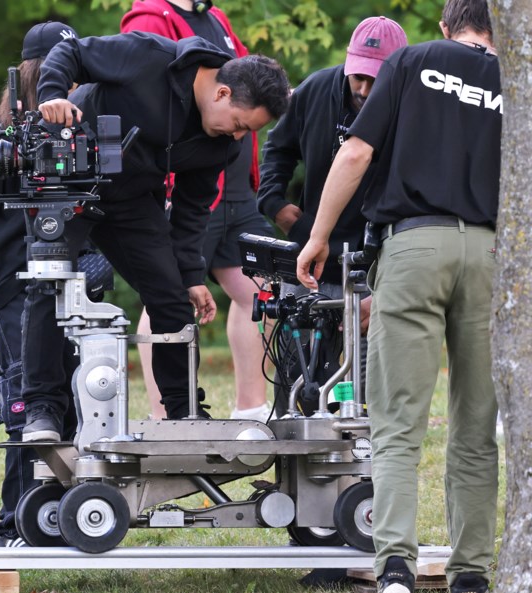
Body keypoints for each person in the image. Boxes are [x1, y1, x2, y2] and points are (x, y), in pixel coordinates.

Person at [295, 0, 500, 593]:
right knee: (475, 425)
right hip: (494, 255)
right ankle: (470, 582)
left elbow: (355, 154)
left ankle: (394, 572)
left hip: (413, 246)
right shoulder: (517, 78)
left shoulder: (411, 61)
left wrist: (318, 234)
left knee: (398, 423)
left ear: (447, 25)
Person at [22, 31, 290, 441]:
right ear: (221, 93)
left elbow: (192, 210)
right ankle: (40, 409)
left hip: (131, 200)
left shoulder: (222, 143)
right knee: (49, 283)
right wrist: (54, 94)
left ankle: (184, 414)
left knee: (170, 299)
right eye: (238, 125)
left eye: (246, 132)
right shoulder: (149, 56)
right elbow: (73, 49)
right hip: (71, 177)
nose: (237, 138)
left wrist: (190, 276)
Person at [0, 21, 82, 546]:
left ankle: (58, 519)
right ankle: (17, 524)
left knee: (70, 402)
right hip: (12, 285)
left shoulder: (84, 132)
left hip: (75, 283)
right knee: (27, 407)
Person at [121, 0, 274, 422]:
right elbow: (160, 98)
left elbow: (251, 85)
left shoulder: (217, 18)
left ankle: (252, 409)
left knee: (263, 291)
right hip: (189, 194)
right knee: (165, 297)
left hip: (238, 194)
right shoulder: (153, 15)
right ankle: (165, 413)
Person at [258, 16, 407, 415]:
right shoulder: (316, 89)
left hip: (376, 252)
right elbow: (277, 148)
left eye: (376, 80)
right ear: (347, 61)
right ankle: (289, 452)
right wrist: (273, 202)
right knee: (294, 357)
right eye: (358, 76)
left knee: (363, 367)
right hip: (311, 242)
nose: (364, 89)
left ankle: (358, 458)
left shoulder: (411, 103)